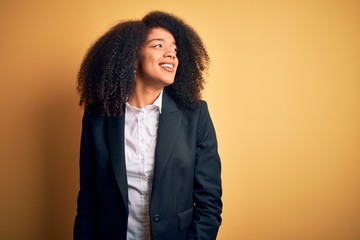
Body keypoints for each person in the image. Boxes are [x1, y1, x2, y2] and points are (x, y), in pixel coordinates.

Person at [74, 11, 222, 240]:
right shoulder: (97, 117)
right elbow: (88, 200)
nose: (171, 55)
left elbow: (209, 203)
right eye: (158, 46)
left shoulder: (195, 115)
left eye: (174, 50)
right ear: (132, 56)